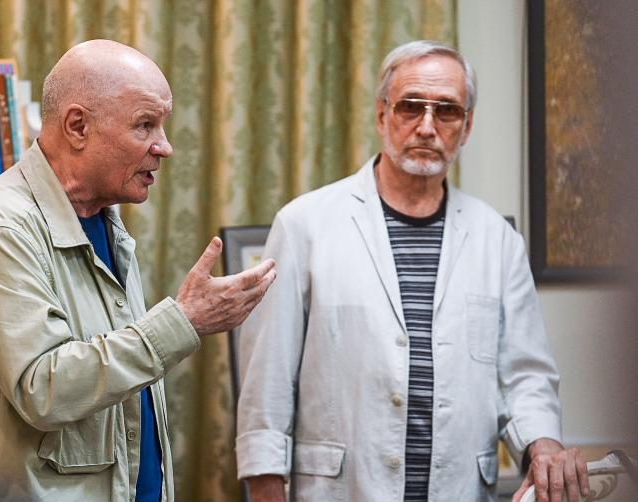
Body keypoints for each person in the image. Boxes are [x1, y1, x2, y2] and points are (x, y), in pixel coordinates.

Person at [0, 39, 276, 501]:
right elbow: (43, 388)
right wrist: (183, 321)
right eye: (145, 125)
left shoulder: (104, 218)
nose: (165, 147)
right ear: (78, 126)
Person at [235, 40, 589, 502]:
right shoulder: (304, 225)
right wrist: (265, 490)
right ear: (382, 114)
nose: (426, 126)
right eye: (410, 107)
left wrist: (543, 445)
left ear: (467, 127)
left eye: (447, 111)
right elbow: (267, 385)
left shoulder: (497, 240)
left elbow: (525, 376)